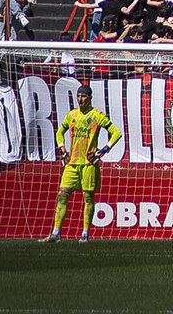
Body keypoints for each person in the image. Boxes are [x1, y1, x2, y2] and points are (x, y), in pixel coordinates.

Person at [40, 84, 122, 243]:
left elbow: (116, 133)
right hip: (71, 163)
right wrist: (62, 149)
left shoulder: (97, 115)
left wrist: (103, 150)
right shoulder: (72, 114)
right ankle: (56, 233)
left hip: (88, 164)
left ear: (90, 98)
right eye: (78, 96)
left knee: (88, 197)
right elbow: (59, 132)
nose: (80, 99)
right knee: (62, 195)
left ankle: (85, 234)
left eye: (83, 96)